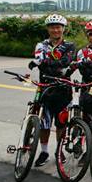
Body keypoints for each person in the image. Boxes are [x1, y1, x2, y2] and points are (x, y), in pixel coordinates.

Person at [29, 14, 77, 167]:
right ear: (48, 29)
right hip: (46, 87)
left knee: (61, 123)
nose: (55, 30)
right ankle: (44, 152)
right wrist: (50, 63)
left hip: (63, 88)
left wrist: (45, 62)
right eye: (52, 27)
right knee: (44, 123)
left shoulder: (70, 46)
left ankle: (59, 151)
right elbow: (42, 61)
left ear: (63, 29)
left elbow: (65, 62)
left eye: (58, 27)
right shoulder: (41, 45)